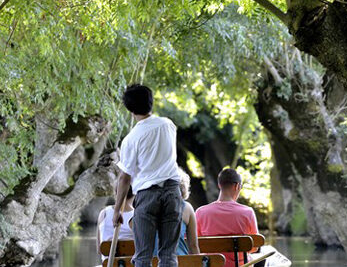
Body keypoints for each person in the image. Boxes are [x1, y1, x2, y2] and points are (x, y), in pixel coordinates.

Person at [112, 84, 183, 267]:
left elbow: (124, 178)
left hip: (147, 195)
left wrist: (117, 209)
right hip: (172, 192)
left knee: (143, 256)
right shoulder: (168, 125)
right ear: (151, 102)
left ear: (130, 109)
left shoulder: (130, 139)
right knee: (168, 256)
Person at [195, 168, 259, 267]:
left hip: (212, 265)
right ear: (237, 186)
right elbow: (254, 246)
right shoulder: (248, 212)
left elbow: (196, 244)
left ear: (219, 185)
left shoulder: (200, 212)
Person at [97, 188, 136, 260]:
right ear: (135, 193)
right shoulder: (137, 216)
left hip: (108, 264)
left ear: (116, 192)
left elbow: (99, 250)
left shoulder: (103, 213)